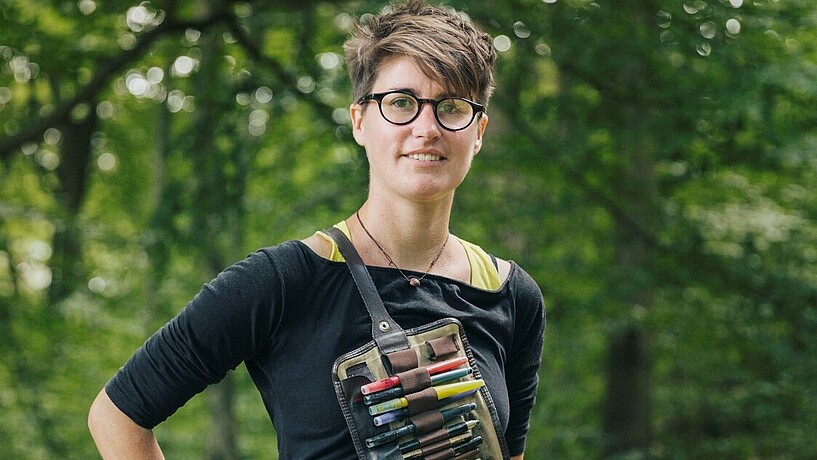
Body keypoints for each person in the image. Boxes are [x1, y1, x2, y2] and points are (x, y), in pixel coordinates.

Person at [87, 1, 545, 459]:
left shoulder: (512, 296)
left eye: (451, 106)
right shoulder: (283, 281)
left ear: (478, 131)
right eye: (401, 102)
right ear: (360, 121)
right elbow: (117, 414)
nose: (426, 128)